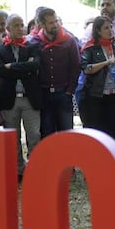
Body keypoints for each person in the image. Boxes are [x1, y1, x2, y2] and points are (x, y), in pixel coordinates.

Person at [0, 14, 43, 182]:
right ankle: (18, 170)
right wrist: (24, 67)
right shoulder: (0, 50)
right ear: (8, 29)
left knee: (34, 135)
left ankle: (35, 168)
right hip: (10, 100)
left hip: (30, 98)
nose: (20, 28)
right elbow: (0, 70)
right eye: (16, 25)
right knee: (12, 139)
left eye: (22, 24)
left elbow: (36, 64)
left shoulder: (32, 46)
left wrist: (11, 67)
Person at [80, 16, 115, 152]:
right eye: (106, 28)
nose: (110, 30)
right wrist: (105, 63)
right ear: (98, 31)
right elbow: (86, 68)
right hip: (97, 96)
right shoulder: (90, 48)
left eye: (111, 27)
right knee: (99, 131)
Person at [31, 7, 80, 138]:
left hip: (63, 92)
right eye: (51, 23)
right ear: (42, 25)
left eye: (56, 21)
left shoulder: (69, 40)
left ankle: (67, 159)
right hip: (44, 94)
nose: (55, 25)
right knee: (47, 133)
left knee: (66, 133)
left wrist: (70, 90)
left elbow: (76, 66)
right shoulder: (35, 42)